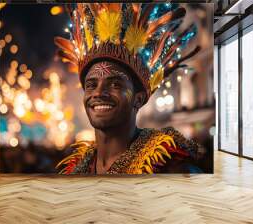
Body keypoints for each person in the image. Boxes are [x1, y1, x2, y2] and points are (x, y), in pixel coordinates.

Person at [54, 3, 205, 174]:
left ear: (138, 99)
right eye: (91, 85)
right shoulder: (75, 169)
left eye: (115, 84)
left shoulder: (172, 168)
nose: (98, 93)